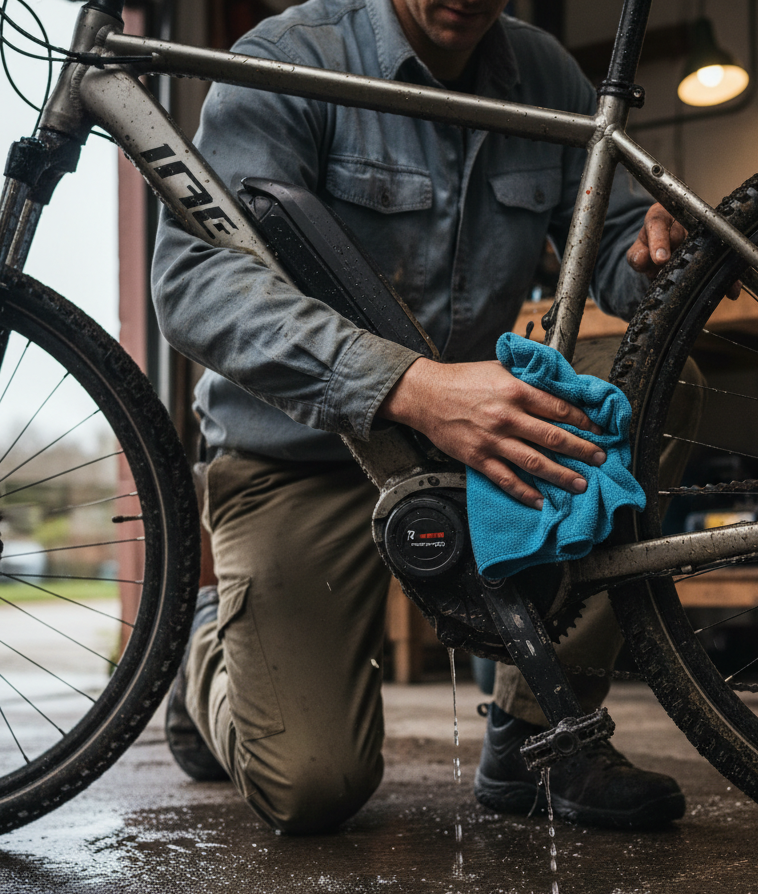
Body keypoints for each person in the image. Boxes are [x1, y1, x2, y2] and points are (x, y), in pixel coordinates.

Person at [153, 0, 698, 835]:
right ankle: (209, 653)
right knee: (311, 787)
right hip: (298, 453)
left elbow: (618, 241)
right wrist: (411, 387)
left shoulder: (544, 74)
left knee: (657, 382)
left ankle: (536, 734)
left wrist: (658, 251)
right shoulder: (290, 60)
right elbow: (195, 283)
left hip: (468, 440)